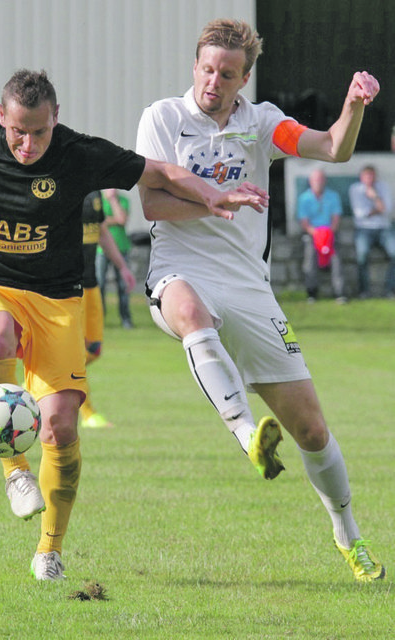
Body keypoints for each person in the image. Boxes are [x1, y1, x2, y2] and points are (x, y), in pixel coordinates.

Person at [0, 69, 269, 581]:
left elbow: (158, 172)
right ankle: (14, 472)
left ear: (57, 118)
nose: (28, 144)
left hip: (56, 300)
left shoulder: (79, 154)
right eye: (17, 132)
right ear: (1, 117)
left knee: (60, 426)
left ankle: (49, 548)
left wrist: (211, 195)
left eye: (40, 132)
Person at [136, 18, 385, 582]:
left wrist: (353, 106)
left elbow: (331, 149)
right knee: (191, 313)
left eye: (226, 73)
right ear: (194, 67)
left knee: (314, 432)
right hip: (180, 268)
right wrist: (215, 201)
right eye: (205, 69)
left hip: (250, 286)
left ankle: (350, 538)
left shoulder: (262, 122)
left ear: (243, 77)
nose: (213, 82)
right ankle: (249, 436)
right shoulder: (164, 118)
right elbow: (151, 204)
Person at [80, 190, 136, 428]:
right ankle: (88, 413)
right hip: (66, 289)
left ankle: (45, 379)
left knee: (93, 350)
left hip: (91, 286)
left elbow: (102, 231)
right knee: (73, 355)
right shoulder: (62, 183)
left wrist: (122, 267)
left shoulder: (93, 194)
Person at [296, 169, 346, 303]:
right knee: (309, 259)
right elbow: (304, 222)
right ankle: (311, 293)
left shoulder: (333, 196)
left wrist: (328, 234)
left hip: (330, 233)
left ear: (325, 181)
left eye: (320, 180)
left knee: (337, 260)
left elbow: (336, 218)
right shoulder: (304, 198)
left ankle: (339, 293)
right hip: (312, 234)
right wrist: (318, 235)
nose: (318, 182)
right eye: (316, 180)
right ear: (311, 182)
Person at [348, 165, 395, 298]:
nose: (369, 179)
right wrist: (378, 208)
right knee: (362, 255)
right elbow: (360, 214)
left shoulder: (383, 187)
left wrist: (375, 197)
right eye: (366, 176)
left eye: (371, 176)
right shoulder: (355, 189)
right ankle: (364, 291)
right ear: (361, 177)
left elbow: (388, 210)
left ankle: (390, 290)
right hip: (364, 229)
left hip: (384, 228)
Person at [96, 188, 135, 328]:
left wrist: (113, 200)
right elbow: (99, 223)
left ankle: (126, 319)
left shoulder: (122, 200)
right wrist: (113, 220)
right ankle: (99, 318)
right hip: (101, 249)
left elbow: (122, 219)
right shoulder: (97, 198)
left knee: (123, 286)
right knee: (99, 284)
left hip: (121, 247)